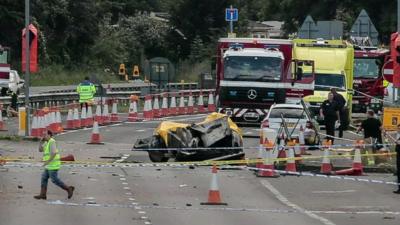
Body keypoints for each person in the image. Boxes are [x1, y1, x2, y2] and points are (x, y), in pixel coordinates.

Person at [34, 130, 75, 200]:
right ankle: (43, 194)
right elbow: (40, 150)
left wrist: (47, 162)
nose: (44, 136)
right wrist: (41, 142)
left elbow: (54, 153)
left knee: (54, 180)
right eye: (43, 135)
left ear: (49, 135)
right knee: (44, 178)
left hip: (53, 165)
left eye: (45, 135)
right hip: (49, 165)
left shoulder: (52, 141)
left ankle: (68, 189)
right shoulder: (47, 143)